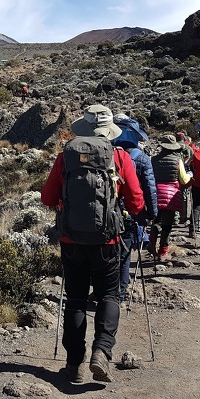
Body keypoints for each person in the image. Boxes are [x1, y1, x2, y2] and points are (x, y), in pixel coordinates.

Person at [41, 105, 144, 384]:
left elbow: (47, 198)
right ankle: (102, 351)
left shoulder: (65, 157)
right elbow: (136, 201)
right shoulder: (120, 157)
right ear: (109, 131)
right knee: (109, 295)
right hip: (108, 240)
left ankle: (75, 364)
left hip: (71, 239)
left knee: (75, 299)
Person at [111, 114, 157, 299]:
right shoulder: (142, 158)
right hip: (132, 212)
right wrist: (152, 213)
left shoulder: (108, 154)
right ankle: (119, 294)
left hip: (108, 210)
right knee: (124, 255)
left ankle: (104, 291)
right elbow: (150, 188)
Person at [148, 134, 192, 261]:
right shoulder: (177, 161)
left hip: (155, 193)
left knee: (156, 220)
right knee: (167, 224)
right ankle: (163, 251)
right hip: (171, 195)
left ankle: (152, 242)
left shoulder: (153, 159)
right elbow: (183, 180)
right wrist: (190, 175)